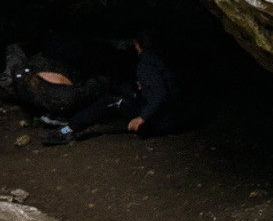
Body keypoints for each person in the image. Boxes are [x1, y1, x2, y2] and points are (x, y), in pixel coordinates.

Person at [47, 34, 187, 143]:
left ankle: (67, 130)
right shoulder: (160, 59)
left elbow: (159, 94)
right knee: (122, 89)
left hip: (161, 122)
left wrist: (142, 118)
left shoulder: (146, 65)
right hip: (173, 116)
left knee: (110, 102)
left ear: (138, 45)